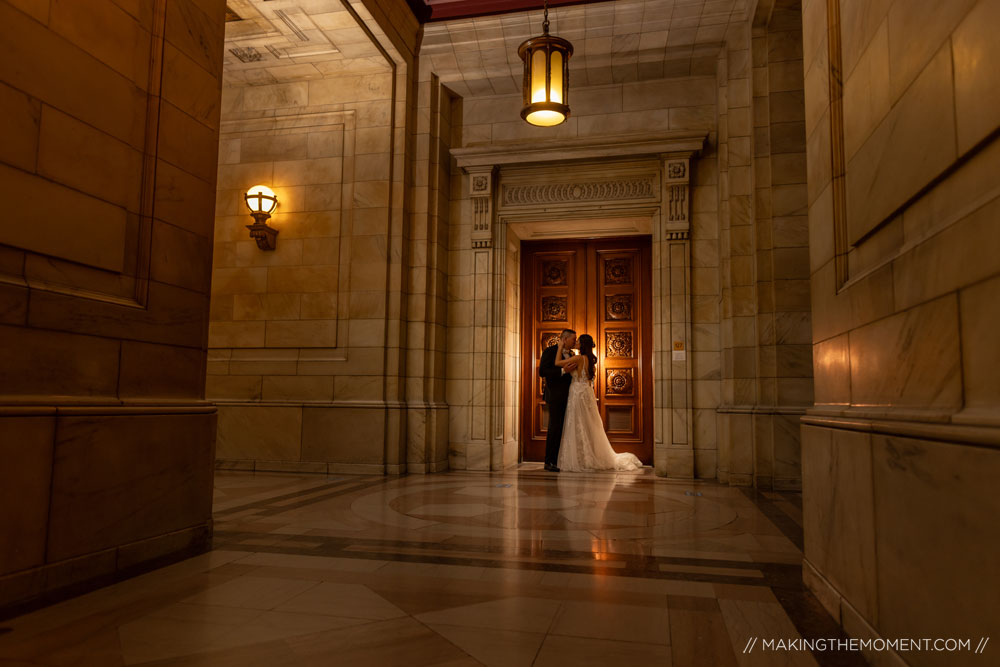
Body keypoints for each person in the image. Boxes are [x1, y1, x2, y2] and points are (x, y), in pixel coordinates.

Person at [553, 333, 642, 472]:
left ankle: (581, 458)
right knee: (588, 424)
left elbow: (557, 363)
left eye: (578, 341)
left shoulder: (578, 358)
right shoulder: (589, 359)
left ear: (582, 344)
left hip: (577, 392)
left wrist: (559, 348)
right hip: (586, 392)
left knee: (577, 424)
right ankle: (587, 456)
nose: (575, 342)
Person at [538, 329, 579, 472]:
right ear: (565, 339)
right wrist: (562, 371)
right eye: (573, 339)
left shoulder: (573, 354)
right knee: (555, 429)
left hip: (571, 397)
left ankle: (565, 460)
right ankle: (549, 462)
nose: (575, 341)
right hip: (555, 396)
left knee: (567, 429)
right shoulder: (550, 351)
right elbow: (542, 371)